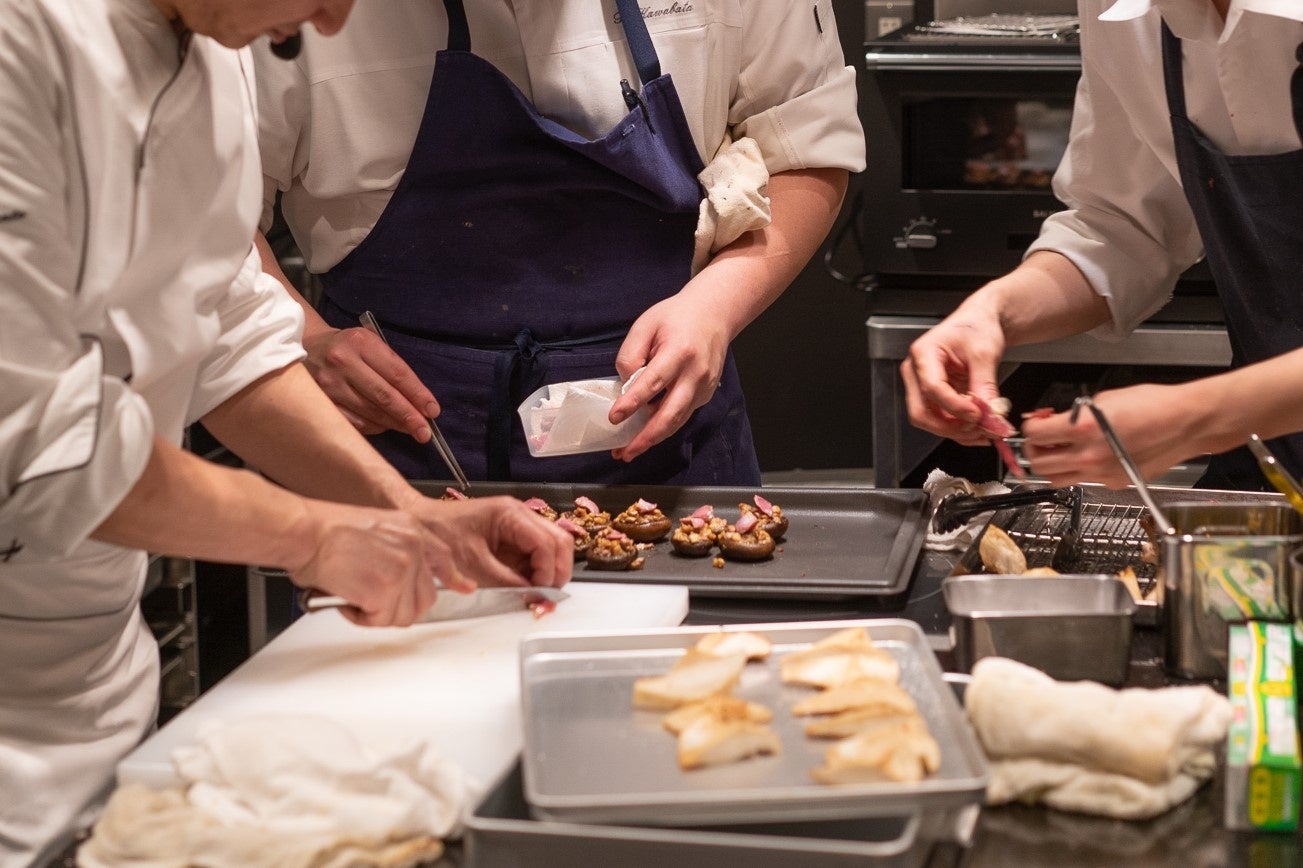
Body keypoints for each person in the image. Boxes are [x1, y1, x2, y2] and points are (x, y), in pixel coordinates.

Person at [0, 1, 572, 863]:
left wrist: (405, 516)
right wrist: (312, 535)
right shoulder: (21, 39)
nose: (335, 22)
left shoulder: (216, 40)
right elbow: (42, 442)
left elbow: (225, 323)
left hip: (95, 677)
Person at [254, 0, 865, 485]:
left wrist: (716, 304)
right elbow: (204, 221)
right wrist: (302, 338)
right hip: (399, 449)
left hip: (667, 445)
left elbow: (806, 143)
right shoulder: (288, 14)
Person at [900, 0, 1303, 491]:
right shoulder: (1121, 11)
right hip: (1275, 469)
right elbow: (1122, 224)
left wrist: (1193, 417)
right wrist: (991, 313)